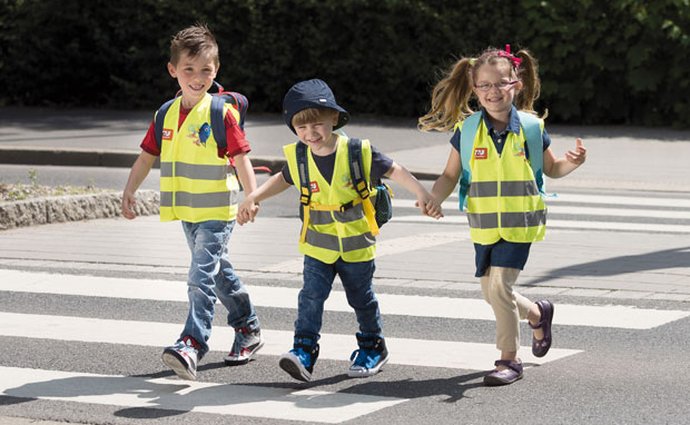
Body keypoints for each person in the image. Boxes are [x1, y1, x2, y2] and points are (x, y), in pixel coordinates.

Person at [238, 79, 442, 382]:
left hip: (356, 244)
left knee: (361, 298)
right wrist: (253, 197)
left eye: (317, 125)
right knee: (310, 297)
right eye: (301, 128)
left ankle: (373, 346)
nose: (310, 134)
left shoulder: (358, 151)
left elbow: (394, 169)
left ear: (334, 118)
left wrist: (422, 193)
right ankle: (303, 351)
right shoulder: (299, 156)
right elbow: (282, 180)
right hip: (318, 246)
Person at [418, 45, 587, 386]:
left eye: (501, 83)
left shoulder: (531, 127)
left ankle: (508, 359)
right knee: (491, 291)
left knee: (498, 287)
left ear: (516, 85)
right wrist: (433, 197)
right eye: (485, 85)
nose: (493, 91)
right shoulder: (466, 131)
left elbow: (551, 168)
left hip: (520, 221)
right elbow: (450, 175)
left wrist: (574, 162)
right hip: (483, 225)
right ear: (474, 89)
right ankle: (538, 313)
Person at [121, 24, 263, 380]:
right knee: (217, 274)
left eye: (206, 70)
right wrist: (129, 190)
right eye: (189, 69)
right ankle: (248, 327)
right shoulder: (165, 113)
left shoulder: (220, 112)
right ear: (173, 70)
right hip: (188, 210)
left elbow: (242, 157)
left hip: (218, 209)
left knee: (200, 276)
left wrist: (252, 196)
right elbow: (145, 157)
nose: (198, 77)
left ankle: (192, 343)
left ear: (216, 71)